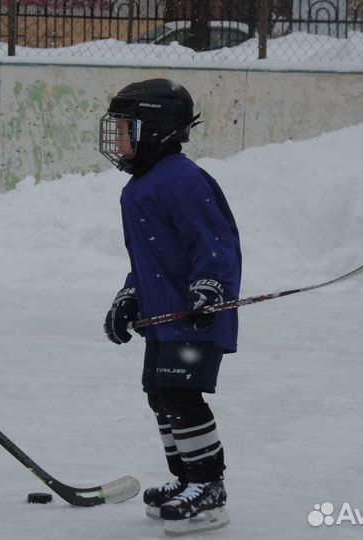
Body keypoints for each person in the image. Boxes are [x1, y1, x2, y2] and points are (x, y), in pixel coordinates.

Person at [99, 78, 241, 534]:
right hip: (163, 320)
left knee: (182, 395)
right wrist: (130, 294)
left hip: (194, 317)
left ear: (156, 130)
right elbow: (151, 258)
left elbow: (215, 242)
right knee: (160, 396)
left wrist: (210, 287)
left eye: (127, 129)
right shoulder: (140, 186)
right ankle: (187, 480)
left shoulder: (182, 180)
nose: (119, 139)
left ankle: (209, 486)